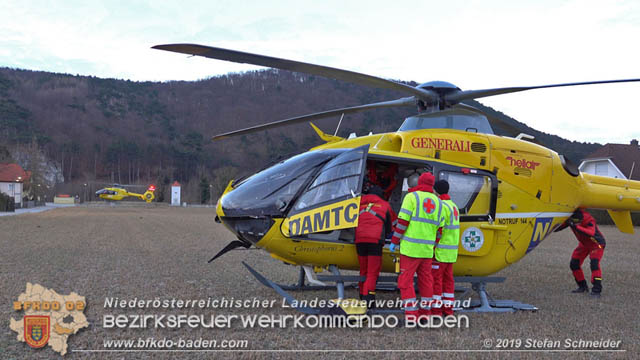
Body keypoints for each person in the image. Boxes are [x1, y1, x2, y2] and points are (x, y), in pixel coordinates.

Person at [389, 172, 444, 321]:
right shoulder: (439, 202)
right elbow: (440, 230)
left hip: (410, 250)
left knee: (405, 282)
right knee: (426, 282)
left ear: (419, 182)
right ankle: (425, 314)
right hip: (426, 251)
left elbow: (402, 223)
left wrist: (394, 241)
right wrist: (433, 245)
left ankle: (411, 316)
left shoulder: (411, 197)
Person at [355, 185, 396, 308]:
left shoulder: (358, 204)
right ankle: (369, 300)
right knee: (372, 272)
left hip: (359, 241)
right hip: (375, 241)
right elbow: (391, 227)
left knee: (363, 270)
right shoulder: (385, 205)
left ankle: (362, 295)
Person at [554, 208, 606, 297]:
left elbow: (591, 232)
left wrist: (576, 226)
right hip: (584, 244)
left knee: (594, 264)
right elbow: (556, 228)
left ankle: (597, 289)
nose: (578, 223)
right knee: (574, 264)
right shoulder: (570, 219)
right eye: (576, 222)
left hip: (596, 244)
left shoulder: (589, 219)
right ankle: (582, 286)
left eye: (579, 222)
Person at [431, 180, 460, 317]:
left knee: (436, 282)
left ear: (435, 191)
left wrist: (432, 246)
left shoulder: (441, 206)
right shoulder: (453, 206)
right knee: (448, 283)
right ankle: (448, 311)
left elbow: (439, 230)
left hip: (440, 252)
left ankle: (436, 311)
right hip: (451, 252)